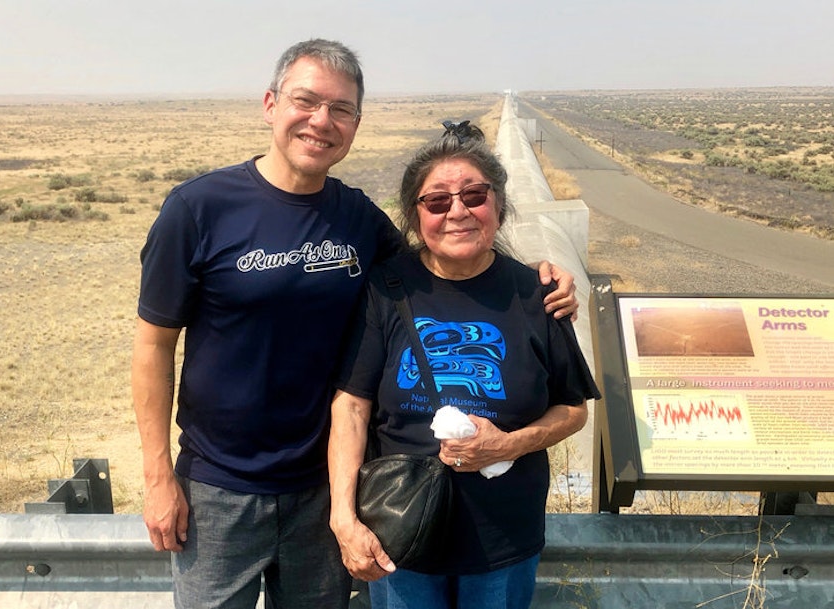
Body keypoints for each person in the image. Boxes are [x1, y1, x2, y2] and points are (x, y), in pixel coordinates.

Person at [131, 39, 578, 609]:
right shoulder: (198, 209)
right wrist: (157, 477)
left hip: (326, 489)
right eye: (306, 101)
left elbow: (443, 260)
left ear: (356, 124)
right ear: (270, 104)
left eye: (340, 109)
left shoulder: (358, 218)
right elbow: (152, 345)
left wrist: (539, 274)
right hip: (218, 487)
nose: (321, 121)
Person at [328, 122, 601, 609]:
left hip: (502, 541)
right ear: (415, 216)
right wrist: (344, 518)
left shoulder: (536, 293)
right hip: (399, 530)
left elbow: (573, 409)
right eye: (437, 202)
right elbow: (351, 408)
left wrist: (508, 443)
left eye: (474, 195)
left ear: (497, 204)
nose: (458, 211)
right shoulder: (386, 290)